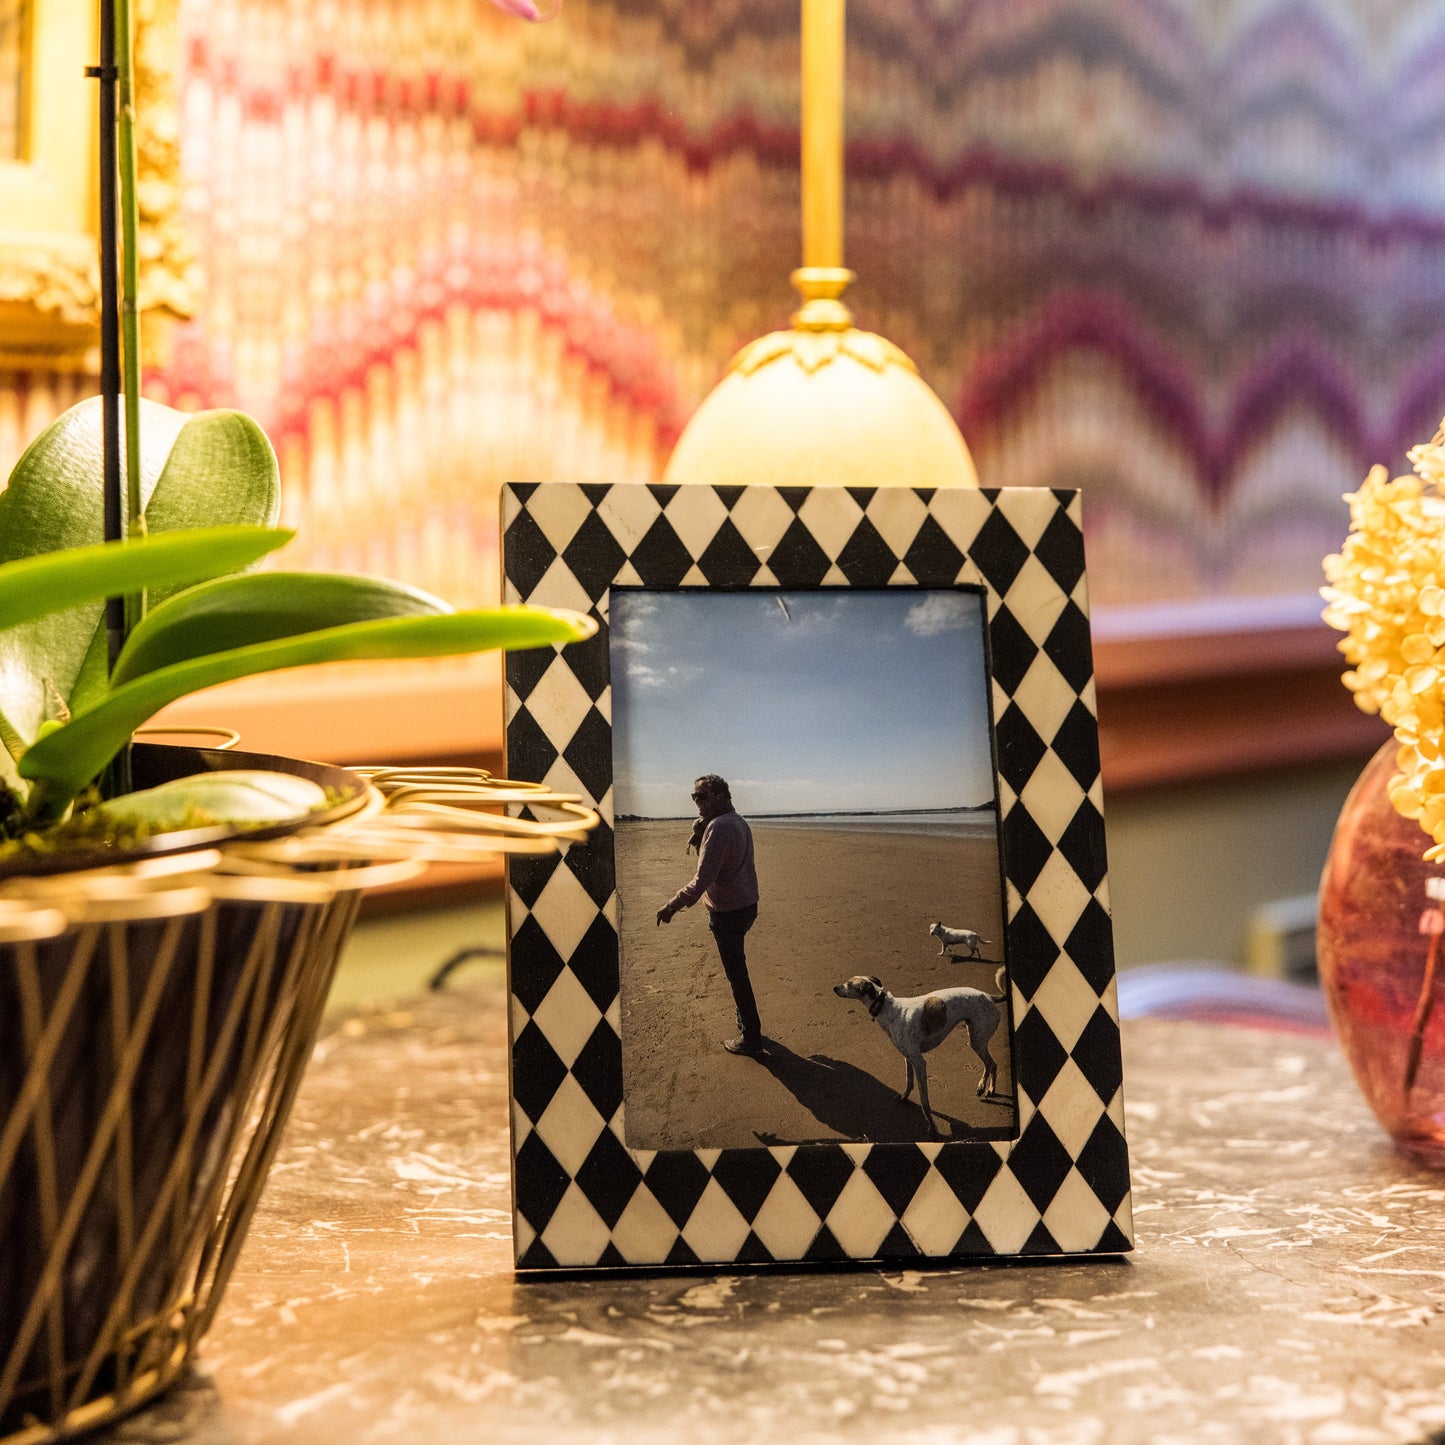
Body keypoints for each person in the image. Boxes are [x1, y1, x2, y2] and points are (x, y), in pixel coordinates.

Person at [656, 774, 764, 1056]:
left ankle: (751, 1037)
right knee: (737, 969)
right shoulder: (738, 821)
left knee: (736, 975)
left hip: (729, 913)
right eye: (695, 797)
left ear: (720, 795)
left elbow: (702, 879)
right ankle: (747, 1025)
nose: (697, 802)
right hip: (746, 905)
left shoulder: (719, 828)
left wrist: (672, 906)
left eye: (702, 796)